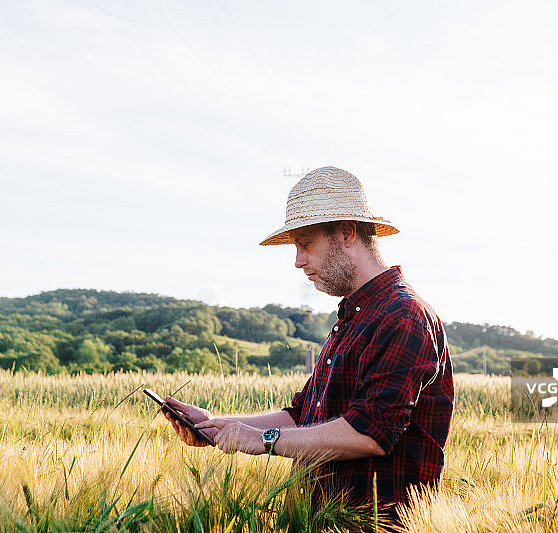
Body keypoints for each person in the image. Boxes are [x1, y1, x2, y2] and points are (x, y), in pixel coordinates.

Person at [163, 166, 454, 523]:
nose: (298, 261)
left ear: (347, 232)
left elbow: (370, 433)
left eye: (305, 244)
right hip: (319, 520)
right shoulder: (354, 317)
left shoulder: (402, 315)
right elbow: (304, 415)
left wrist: (265, 440)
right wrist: (218, 426)